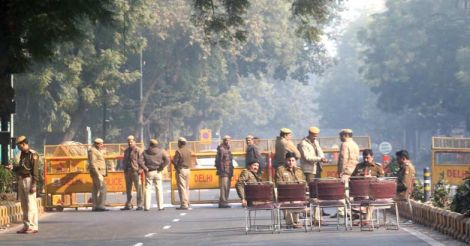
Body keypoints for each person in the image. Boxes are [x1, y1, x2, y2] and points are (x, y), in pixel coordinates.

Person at [5, 136, 39, 233]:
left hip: (29, 180)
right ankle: (26, 225)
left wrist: (34, 185)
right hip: (22, 179)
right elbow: (21, 168)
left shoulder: (33, 154)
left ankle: (32, 226)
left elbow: (35, 171)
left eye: (19, 145)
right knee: (24, 204)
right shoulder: (23, 154)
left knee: (31, 204)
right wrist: (12, 168)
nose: (18, 147)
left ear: (23, 144)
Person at [297, 126, 328, 220]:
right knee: (311, 193)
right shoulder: (303, 144)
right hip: (309, 170)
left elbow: (320, 152)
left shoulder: (316, 142)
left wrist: (322, 158)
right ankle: (308, 212)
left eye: (316, 136)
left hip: (317, 168)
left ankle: (317, 215)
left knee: (317, 193)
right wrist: (320, 159)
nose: (315, 137)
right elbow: (307, 157)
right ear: (309, 134)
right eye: (314, 135)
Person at [351, 149, 384, 225]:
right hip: (359, 192)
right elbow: (352, 178)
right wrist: (360, 176)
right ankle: (361, 215)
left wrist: (372, 177)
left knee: (370, 200)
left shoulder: (377, 167)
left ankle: (366, 219)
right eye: (364, 158)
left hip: (373, 192)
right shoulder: (359, 166)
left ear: (372, 157)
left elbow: (382, 180)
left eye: (367, 158)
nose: (365, 160)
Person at [332, 129, 359, 218]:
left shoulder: (344, 144)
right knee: (352, 192)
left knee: (342, 192)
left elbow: (343, 159)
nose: (340, 137)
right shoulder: (355, 144)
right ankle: (352, 210)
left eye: (341, 135)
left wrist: (341, 172)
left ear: (345, 135)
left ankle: (342, 212)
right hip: (354, 171)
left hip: (346, 171)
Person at [275, 152, 306, 228]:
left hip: (297, 194)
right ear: (285, 160)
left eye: (293, 160)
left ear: (295, 161)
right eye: (289, 160)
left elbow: (304, 183)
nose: (291, 162)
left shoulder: (299, 170)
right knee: (287, 201)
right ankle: (290, 223)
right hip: (285, 194)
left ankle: (296, 221)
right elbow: (278, 183)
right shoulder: (280, 170)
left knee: (297, 200)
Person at [142, 138, 169, 211]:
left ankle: (146, 207)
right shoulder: (161, 151)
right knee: (159, 189)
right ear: (156, 145)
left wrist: (145, 168)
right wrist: (161, 167)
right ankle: (160, 206)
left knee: (147, 189)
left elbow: (140, 161)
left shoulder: (145, 152)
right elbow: (167, 160)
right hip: (158, 171)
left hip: (149, 171)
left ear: (150, 144)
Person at [122, 135, 146, 211]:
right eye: (128, 141)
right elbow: (124, 161)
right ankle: (128, 204)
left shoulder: (138, 150)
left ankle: (140, 204)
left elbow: (142, 161)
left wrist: (140, 170)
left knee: (138, 188)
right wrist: (124, 169)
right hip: (128, 171)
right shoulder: (126, 151)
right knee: (128, 189)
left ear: (134, 142)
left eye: (131, 141)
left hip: (135, 171)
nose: (130, 143)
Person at [87, 138, 108, 212]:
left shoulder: (96, 150)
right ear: (97, 144)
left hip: (98, 172)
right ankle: (101, 205)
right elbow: (92, 163)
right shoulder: (92, 151)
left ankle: (95, 205)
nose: (102, 145)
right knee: (103, 188)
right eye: (101, 144)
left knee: (95, 189)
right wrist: (98, 174)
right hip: (97, 172)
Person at [172, 137, 192, 210]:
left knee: (182, 188)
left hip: (181, 170)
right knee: (187, 187)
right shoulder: (189, 151)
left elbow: (175, 161)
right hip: (188, 170)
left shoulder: (178, 151)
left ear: (180, 143)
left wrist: (175, 165)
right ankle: (187, 202)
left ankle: (184, 204)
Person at [215, 135, 234, 208]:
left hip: (228, 171)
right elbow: (218, 161)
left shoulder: (228, 149)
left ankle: (224, 201)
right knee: (224, 187)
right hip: (224, 171)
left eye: (229, 140)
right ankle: (223, 202)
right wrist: (221, 170)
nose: (227, 141)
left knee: (227, 187)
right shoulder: (221, 149)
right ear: (224, 141)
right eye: (226, 140)